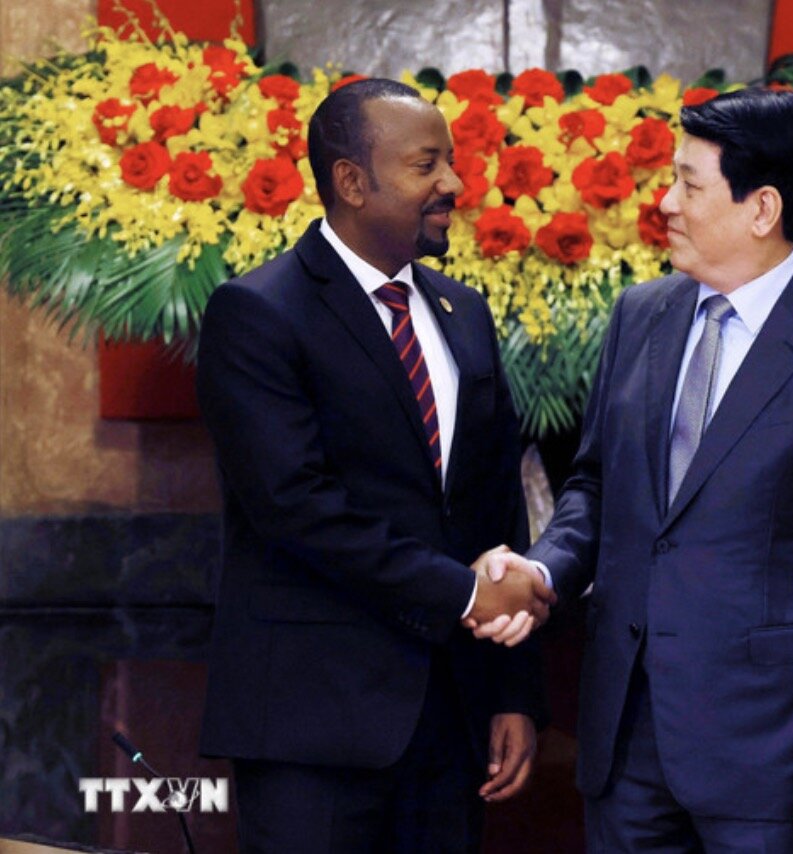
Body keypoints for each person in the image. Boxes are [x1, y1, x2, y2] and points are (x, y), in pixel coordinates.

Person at [471, 87, 793, 851]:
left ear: (763, 208)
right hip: (625, 743)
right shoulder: (640, 315)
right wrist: (543, 572)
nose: (666, 203)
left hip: (773, 758)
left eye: (688, 182)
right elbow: (596, 490)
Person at [196, 78, 554, 853]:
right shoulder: (258, 312)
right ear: (352, 181)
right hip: (314, 728)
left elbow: (496, 510)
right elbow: (295, 506)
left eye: (452, 163)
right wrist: (465, 592)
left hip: (452, 724)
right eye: (428, 165)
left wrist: (512, 692)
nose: (454, 185)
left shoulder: (465, 311)